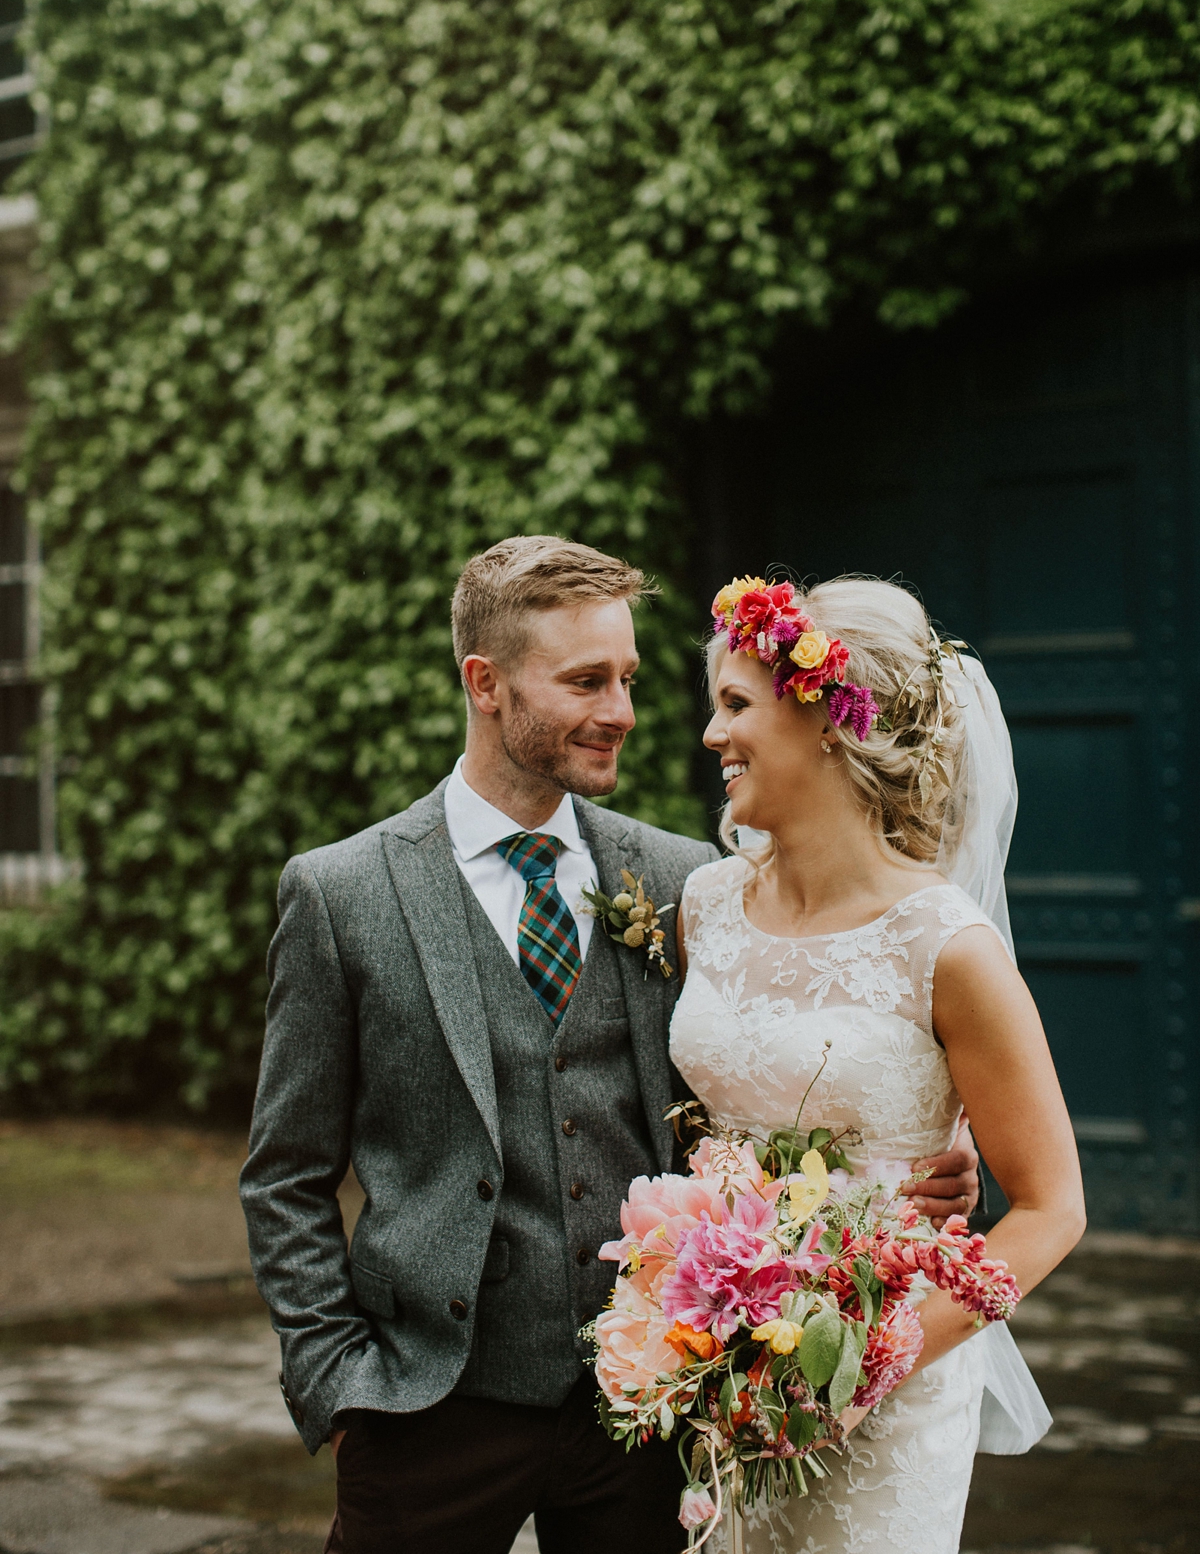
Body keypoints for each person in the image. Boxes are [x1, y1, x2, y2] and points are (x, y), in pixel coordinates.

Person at [240, 537, 980, 1554]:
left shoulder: (684, 881)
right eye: (587, 681)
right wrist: (339, 1383)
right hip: (429, 1410)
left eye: (628, 678)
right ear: (485, 684)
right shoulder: (344, 895)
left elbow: (776, 1068)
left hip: (652, 1414)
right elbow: (285, 1174)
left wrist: (912, 1170)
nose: (623, 711)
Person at [670, 574, 1085, 1554]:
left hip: (884, 1391)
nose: (710, 736)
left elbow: (1052, 1209)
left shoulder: (947, 947)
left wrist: (868, 1363)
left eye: (737, 706)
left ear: (825, 723)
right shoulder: (704, 906)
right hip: (719, 1366)